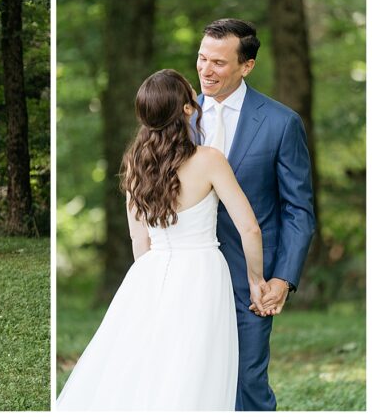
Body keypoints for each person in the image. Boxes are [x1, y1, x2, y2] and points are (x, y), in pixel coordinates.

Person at [56, 69, 270, 410]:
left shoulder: (135, 164)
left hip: (150, 272)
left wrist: (152, 285)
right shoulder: (209, 160)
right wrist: (255, 279)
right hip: (202, 273)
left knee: (146, 365)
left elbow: (138, 239)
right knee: (195, 368)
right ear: (188, 108)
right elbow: (250, 229)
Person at [195, 18, 315, 410]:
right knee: (191, 375)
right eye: (201, 58)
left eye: (218, 63)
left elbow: (298, 209)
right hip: (187, 272)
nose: (205, 70)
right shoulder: (178, 118)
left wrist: (282, 278)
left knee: (247, 377)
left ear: (246, 66)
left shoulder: (281, 123)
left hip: (251, 278)